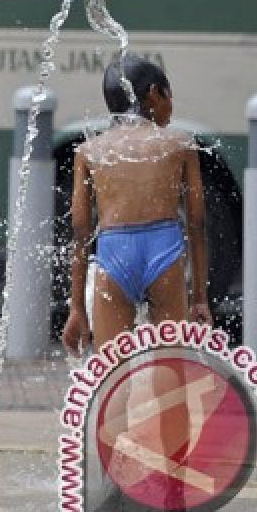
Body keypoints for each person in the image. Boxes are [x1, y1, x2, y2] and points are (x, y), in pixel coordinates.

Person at [61, 55, 211, 359]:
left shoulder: (90, 151)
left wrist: (76, 308)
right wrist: (200, 299)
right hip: (164, 249)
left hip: (114, 252)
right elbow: (196, 223)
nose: (171, 106)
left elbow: (80, 232)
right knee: (171, 371)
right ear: (155, 93)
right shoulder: (181, 144)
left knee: (112, 378)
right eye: (170, 95)